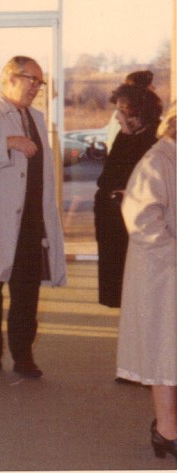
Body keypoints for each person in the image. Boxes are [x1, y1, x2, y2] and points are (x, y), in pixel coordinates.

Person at [0, 55, 66, 379]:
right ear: (9, 78)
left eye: (39, 81)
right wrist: (7, 143)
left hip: (31, 222)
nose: (36, 87)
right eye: (30, 79)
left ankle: (23, 356)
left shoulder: (36, 117)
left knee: (26, 292)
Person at [116, 103, 176, 461]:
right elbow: (140, 219)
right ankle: (167, 431)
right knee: (165, 353)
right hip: (162, 272)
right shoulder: (157, 161)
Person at [94, 74, 162, 307]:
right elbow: (107, 179)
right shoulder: (127, 137)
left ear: (137, 116)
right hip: (115, 225)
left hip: (135, 229)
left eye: (121, 111)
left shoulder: (155, 144)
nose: (116, 116)